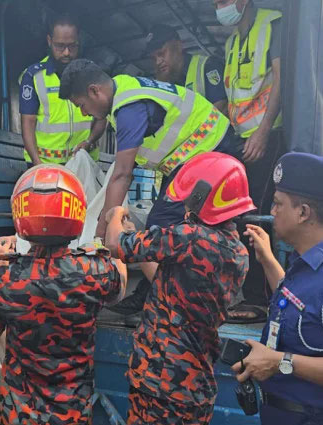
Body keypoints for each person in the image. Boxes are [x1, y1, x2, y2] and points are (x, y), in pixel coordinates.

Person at [58, 59, 244, 315]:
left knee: (163, 221)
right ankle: (159, 292)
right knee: (175, 224)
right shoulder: (121, 89)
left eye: (81, 105)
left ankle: (167, 301)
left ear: (94, 91)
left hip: (210, 152)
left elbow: (122, 174)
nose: (83, 112)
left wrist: (104, 228)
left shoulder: (128, 107)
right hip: (193, 159)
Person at [105, 152, 253, 425]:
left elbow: (115, 244)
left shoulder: (189, 238)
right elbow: (168, 283)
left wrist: (114, 215)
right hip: (194, 385)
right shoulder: (239, 252)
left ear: (201, 197)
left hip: (160, 383)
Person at [0, 165, 126, 425]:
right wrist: (107, 247)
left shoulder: (4, 278)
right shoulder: (96, 271)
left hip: (19, 412)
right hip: (73, 410)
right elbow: (119, 291)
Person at [233, 152, 323, 424]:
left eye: (277, 204)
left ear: (303, 213)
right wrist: (268, 259)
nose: (271, 213)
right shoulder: (302, 263)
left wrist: (278, 362)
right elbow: (295, 302)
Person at [214, 0, 286, 317]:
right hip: (240, 138)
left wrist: (264, 131)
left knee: (256, 213)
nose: (221, 7)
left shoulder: (272, 24)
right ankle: (247, 291)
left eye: (225, 1)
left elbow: (280, 81)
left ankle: (260, 298)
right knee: (237, 214)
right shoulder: (231, 42)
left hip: (266, 137)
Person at [19, 14, 107, 166]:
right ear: (49, 41)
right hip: (45, 164)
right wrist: (37, 164)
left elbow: (102, 115)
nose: (66, 52)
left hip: (83, 162)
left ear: (79, 41)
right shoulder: (33, 76)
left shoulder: (92, 72)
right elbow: (28, 122)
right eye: (60, 46)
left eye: (72, 46)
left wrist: (89, 141)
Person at [146, 24, 227, 113]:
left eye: (161, 53)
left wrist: (199, 127)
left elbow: (221, 108)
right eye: (153, 58)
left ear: (178, 46)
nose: (158, 62)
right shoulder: (166, 81)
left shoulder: (207, 66)